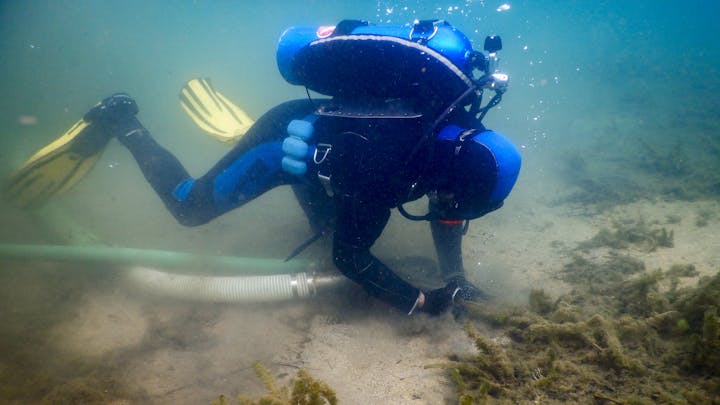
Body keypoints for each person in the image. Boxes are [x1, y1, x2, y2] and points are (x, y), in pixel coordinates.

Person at [5, 20, 521, 315]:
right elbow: (350, 257)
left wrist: (457, 274)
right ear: (456, 168)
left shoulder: (448, 135)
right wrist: (425, 301)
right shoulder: (392, 166)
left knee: (329, 220)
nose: (449, 209)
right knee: (191, 207)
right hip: (285, 141)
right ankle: (123, 119)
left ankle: (263, 151)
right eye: (455, 199)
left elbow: (449, 210)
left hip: (332, 147)